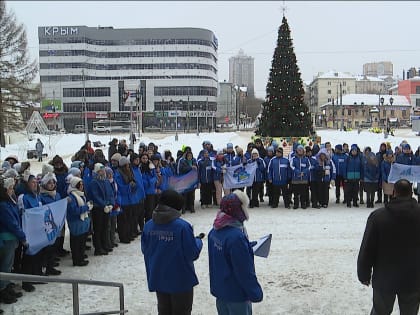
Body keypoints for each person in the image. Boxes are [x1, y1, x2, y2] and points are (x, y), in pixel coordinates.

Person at [357, 179, 420, 315]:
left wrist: (363, 273)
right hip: (414, 278)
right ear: (412, 193)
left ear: (393, 193)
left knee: (380, 311)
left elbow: (367, 248)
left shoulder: (378, 217)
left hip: (385, 277)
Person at [141, 190, 203, 315]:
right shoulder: (182, 227)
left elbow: (145, 249)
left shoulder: (148, 226)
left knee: (164, 310)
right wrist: (198, 241)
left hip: (158, 276)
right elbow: (192, 253)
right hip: (180, 280)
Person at [208, 190, 263, 315]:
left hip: (221, 290)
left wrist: (247, 247)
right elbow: (244, 270)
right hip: (236, 294)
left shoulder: (215, 231)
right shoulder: (236, 237)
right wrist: (255, 292)